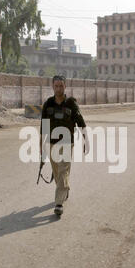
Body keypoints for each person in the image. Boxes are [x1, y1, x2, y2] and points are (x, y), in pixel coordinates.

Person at [40, 75, 89, 217]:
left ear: (65, 87)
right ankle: (64, 190)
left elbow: (81, 122)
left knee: (63, 171)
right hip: (52, 143)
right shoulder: (48, 103)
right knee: (57, 172)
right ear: (52, 87)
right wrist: (41, 147)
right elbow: (43, 126)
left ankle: (59, 203)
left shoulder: (71, 104)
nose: (58, 88)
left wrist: (86, 141)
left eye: (61, 86)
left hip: (68, 142)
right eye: (56, 86)